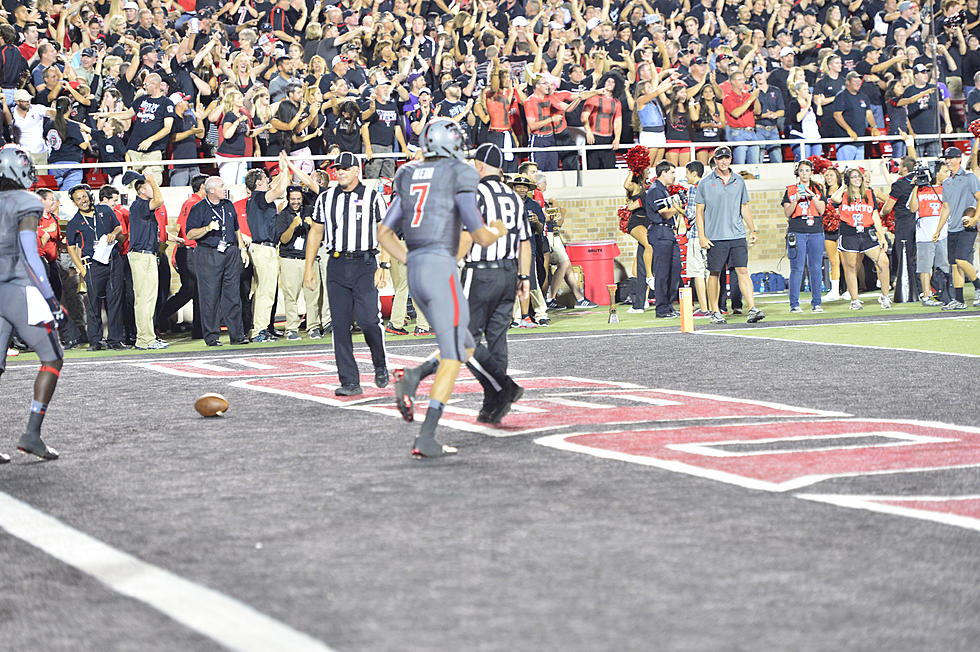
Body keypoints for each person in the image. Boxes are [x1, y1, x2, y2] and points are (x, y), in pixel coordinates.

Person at [377, 119, 507, 459]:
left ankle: (414, 375)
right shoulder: (459, 172)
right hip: (440, 266)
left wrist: (412, 260)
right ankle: (426, 436)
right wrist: (497, 230)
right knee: (452, 356)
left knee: (463, 343)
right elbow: (478, 233)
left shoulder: (407, 173)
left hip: (418, 266)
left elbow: (384, 233)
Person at [304, 152, 390, 395]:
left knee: (368, 321)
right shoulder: (325, 198)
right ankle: (349, 381)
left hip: (364, 263)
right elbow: (316, 233)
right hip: (337, 263)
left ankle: (379, 362)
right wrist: (309, 267)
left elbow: (385, 231)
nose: (339, 172)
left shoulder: (373, 197)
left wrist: (383, 266)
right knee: (339, 325)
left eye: (345, 168)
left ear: (356, 170)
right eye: (337, 168)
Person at [0, 146, 62, 461]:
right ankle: (32, 433)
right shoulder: (26, 201)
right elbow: (29, 252)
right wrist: (50, 298)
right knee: (53, 357)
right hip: (15, 288)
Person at [461, 143, 531, 423]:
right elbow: (525, 241)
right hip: (508, 271)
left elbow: (467, 235)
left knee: (462, 339)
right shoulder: (514, 196)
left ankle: (503, 388)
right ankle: (494, 403)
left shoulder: (474, 193)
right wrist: (524, 276)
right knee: (497, 339)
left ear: (478, 166)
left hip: (480, 272)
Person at [694, 146, 766, 324]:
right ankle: (715, 311)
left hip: (737, 235)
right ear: (715, 160)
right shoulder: (705, 183)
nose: (724, 161)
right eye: (720, 158)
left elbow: (744, 207)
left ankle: (752, 308)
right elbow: (699, 212)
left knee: (743, 270)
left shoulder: (739, 181)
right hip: (715, 237)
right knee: (714, 273)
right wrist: (702, 237)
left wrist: (753, 229)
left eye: (727, 158)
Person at [185, 176, 250, 347]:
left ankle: (237, 335)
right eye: (222, 186)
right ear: (212, 190)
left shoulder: (227, 205)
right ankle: (212, 336)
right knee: (210, 296)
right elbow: (190, 234)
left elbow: (236, 228)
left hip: (230, 252)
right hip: (208, 253)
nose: (224, 188)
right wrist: (207, 228)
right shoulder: (199, 208)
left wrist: (242, 249)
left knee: (233, 295)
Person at [65, 183, 127, 350]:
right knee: (93, 305)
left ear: (89, 196)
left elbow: (118, 226)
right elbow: (70, 247)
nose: (83, 201)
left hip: (113, 262)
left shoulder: (105, 211)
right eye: (78, 199)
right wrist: (82, 269)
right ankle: (95, 341)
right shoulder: (74, 223)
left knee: (115, 302)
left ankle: (115, 340)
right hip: (92, 266)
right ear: (74, 202)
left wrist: (114, 234)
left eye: (84, 196)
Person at [829, 168, 893, 310]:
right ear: (848, 180)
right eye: (853, 177)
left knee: (883, 261)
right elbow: (834, 199)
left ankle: (885, 296)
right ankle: (854, 300)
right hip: (849, 233)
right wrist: (844, 186)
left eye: (859, 176)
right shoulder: (844, 195)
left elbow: (875, 215)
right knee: (851, 266)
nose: (857, 179)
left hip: (867, 232)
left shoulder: (869, 194)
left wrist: (881, 235)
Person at [244, 154, 290, 343]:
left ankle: (259, 328)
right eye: (264, 177)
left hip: (262, 248)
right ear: (258, 182)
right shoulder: (260, 197)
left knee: (264, 291)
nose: (267, 179)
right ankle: (259, 331)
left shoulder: (257, 199)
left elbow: (277, 185)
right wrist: (285, 167)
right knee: (266, 292)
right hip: (264, 249)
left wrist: (282, 168)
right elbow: (281, 188)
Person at [782, 160, 827, 313]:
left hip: (815, 230)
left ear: (811, 172)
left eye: (807, 170)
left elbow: (822, 210)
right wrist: (796, 199)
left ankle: (817, 303)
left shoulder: (818, 189)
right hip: (797, 230)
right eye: (801, 170)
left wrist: (813, 196)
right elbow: (787, 213)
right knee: (797, 268)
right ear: (798, 173)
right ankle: (794, 304)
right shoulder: (790, 190)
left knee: (815, 268)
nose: (804, 173)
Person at [128, 174, 167, 350]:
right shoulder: (139, 205)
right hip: (142, 257)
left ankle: (148, 336)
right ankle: (144, 339)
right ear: (142, 190)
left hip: (147, 256)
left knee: (149, 299)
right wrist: (151, 180)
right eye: (150, 186)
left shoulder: (142, 208)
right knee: (144, 300)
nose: (153, 188)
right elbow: (160, 200)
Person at [277, 186, 320, 340]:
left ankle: (313, 327)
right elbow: (283, 239)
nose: (295, 202)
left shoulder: (310, 211)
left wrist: (313, 224)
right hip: (290, 259)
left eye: (298, 199)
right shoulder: (283, 215)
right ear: (288, 199)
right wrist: (293, 225)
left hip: (309, 259)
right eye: (293, 199)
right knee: (291, 296)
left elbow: (321, 232)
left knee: (312, 295)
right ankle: (291, 328)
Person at [942, 143, 980, 308]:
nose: (948, 161)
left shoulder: (970, 177)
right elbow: (946, 208)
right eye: (946, 158)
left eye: (951, 158)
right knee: (955, 265)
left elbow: (979, 198)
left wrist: (975, 219)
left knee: (961, 259)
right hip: (953, 227)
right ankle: (959, 300)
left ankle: (978, 286)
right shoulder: (946, 182)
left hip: (967, 226)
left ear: (959, 159)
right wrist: (938, 230)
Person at [909, 165, 952, 307]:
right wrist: (915, 187)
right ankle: (926, 295)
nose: (948, 174)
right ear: (936, 173)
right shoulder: (921, 189)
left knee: (944, 265)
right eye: (945, 171)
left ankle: (946, 294)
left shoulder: (947, 189)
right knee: (925, 267)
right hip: (924, 234)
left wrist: (939, 230)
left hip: (943, 233)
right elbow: (913, 208)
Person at [644, 161, 683, 318]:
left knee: (674, 271)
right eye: (672, 172)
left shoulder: (663, 190)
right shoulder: (655, 190)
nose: (674, 175)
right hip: (660, 232)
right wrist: (679, 207)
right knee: (662, 273)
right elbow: (665, 213)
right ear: (663, 173)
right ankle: (661, 309)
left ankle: (668, 305)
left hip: (667, 233)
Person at [880, 156, 921, 302]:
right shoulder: (921, 181)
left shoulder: (900, 184)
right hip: (921, 224)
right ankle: (923, 289)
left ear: (904, 168)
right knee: (917, 257)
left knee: (905, 257)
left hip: (904, 224)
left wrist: (882, 212)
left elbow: (888, 207)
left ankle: (909, 291)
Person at [123, 73, 174, 185]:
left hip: (154, 150)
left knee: (153, 183)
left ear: (155, 84)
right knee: (132, 184)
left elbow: (167, 128)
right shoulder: (141, 99)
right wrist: (108, 115)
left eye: (146, 84)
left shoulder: (167, 103)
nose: (144, 87)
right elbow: (127, 114)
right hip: (134, 148)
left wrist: (150, 140)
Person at [682, 161, 711, 316]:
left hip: (696, 235)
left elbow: (692, 215)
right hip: (711, 234)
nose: (685, 176)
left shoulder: (694, 188)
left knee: (698, 272)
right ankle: (713, 307)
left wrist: (679, 207)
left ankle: (704, 308)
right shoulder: (710, 186)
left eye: (687, 173)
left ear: (694, 173)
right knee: (709, 272)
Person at [832, 72, 880, 161]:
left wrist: (874, 127)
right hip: (845, 141)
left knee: (859, 170)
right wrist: (849, 130)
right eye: (855, 81)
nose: (858, 83)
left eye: (859, 81)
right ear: (848, 82)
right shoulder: (842, 96)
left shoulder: (863, 96)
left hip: (860, 140)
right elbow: (837, 115)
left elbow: (868, 113)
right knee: (846, 170)